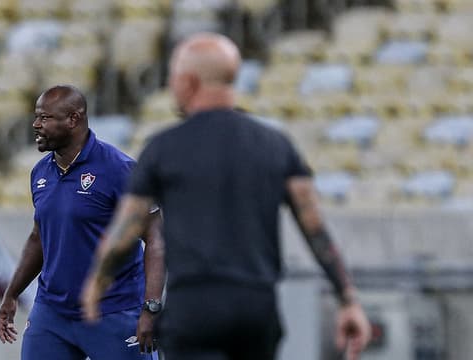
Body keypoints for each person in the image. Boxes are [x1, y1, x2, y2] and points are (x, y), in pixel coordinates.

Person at [81, 33, 371, 360]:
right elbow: (315, 228)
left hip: (194, 306)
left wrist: (97, 280)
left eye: (174, 78)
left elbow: (127, 228)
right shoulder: (275, 144)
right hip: (256, 308)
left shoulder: (164, 148)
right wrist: (348, 299)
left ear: (189, 82)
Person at [0, 85, 165, 359]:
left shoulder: (119, 169)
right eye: (36, 116)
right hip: (52, 314)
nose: (36, 125)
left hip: (114, 310)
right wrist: (13, 293)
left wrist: (151, 306)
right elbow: (39, 237)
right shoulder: (40, 172)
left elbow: (156, 237)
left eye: (45, 118)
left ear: (73, 119)